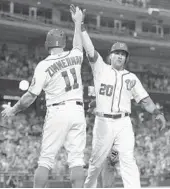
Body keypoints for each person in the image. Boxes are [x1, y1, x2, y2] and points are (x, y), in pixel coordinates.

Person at [71, 5, 166, 188]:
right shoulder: (100, 68)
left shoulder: (131, 77)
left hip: (123, 123)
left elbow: (144, 100)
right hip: (103, 124)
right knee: (97, 163)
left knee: (127, 159)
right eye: (117, 53)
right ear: (110, 56)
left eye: (123, 54)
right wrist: (80, 24)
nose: (120, 57)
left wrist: (158, 114)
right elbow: (89, 49)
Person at [1, 6, 86, 188]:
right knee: (77, 160)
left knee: (46, 159)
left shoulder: (44, 65)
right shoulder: (75, 55)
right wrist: (77, 22)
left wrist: (13, 109)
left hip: (58, 110)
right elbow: (79, 45)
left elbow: (30, 96)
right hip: (78, 110)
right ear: (63, 43)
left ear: (47, 44)